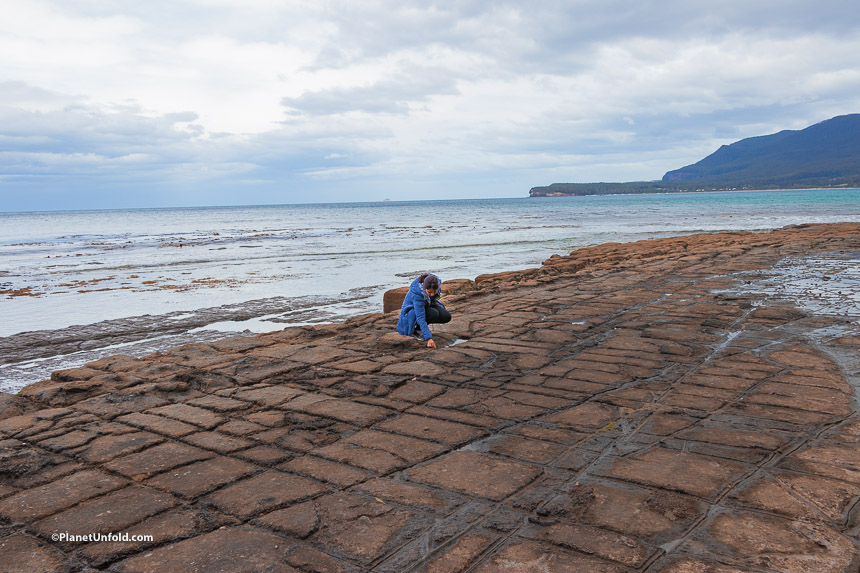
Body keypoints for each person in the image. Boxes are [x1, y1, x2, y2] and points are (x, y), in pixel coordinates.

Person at [396, 273, 451, 349]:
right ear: (424, 288)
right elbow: (420, 317)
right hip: (410, 312)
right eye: (429, 292)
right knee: (433, 313)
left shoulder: (436, 283)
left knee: (446, 316)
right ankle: (417, 330)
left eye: (434, 292)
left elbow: (433, 299)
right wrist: (428, 338)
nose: (432, 294)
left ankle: (423, 328)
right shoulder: (417, 294)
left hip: (426, 305)